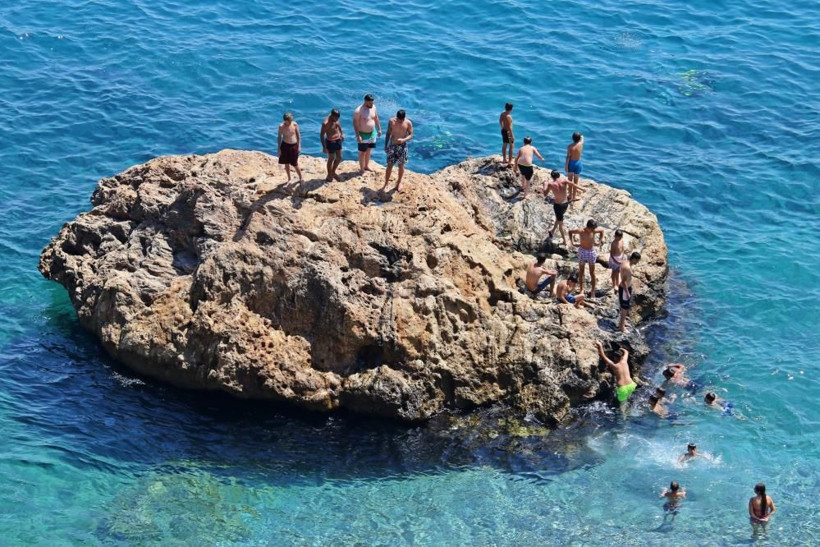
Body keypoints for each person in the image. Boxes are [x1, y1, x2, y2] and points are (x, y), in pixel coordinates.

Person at [544, 170, 583, 247]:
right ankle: (552, 231)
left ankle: (565, 242)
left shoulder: (551, 184)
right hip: (565, 204)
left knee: (560, 224)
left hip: (558, 206)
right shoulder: (564, 180)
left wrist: (545, 185)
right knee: (559, 218)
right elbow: (573, 184)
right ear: (558, 175)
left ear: (552, 177)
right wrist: (582, 189)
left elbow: (545, 194)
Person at [569, 219, 605, 298]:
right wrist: (572, 243)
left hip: (591, 252)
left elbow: (602, 231)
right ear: (588, 227)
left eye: (593, 229)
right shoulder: (581, 231)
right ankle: (582, 289)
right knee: (581, 272)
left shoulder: (593, 230)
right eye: (592, 229)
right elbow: (570, 232)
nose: (593, 230)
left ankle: (592, 291)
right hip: (582, 251)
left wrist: (599, 241)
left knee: (592, 273)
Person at [382, 109, 414, 193]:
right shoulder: (391, 121)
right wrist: (386, 145)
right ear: (397, 117)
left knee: (401, 166)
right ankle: (386, 184)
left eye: (402, 120)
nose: (400, 121)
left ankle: (399, 183)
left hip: (403, 146)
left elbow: (411, 135)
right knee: (389, 165)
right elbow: (388, 133)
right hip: (392, 146)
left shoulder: (408, 123)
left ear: (404, 118)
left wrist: (404, 139)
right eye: (399, 119)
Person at [353, 94, 382, 174]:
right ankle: (362, 169)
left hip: (372, 133)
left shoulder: (373, 107)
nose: (371, 105)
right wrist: (358, 135)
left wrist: (379, 128)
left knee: (369, 150)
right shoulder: (358, 111)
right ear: (365, 101)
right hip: (363, 134)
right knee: (362, 152)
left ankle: (367, 166)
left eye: (372, 103)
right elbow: (355, 123)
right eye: (370, 103)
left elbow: (376, 118)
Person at [618, 251, 641, 332]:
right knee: (625, 308)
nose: (637, 263)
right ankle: (621, 327)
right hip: (625, 289)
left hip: (625, 288)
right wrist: (627, 292)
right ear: (634, 259)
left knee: (624, 307)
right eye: (637, 261)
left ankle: (623, 322)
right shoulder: (627, 268)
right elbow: (624, 281)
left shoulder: (625, 262)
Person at [278, 112, 303, 187]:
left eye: (290, 121)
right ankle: (289, 179)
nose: (289, 123)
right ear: (285, 120)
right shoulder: (281, 126)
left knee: (295, 163)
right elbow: (279, 137)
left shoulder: (294, 124)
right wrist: (279, 148)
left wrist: (299, 146)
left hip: (294, 145)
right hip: (285, 145)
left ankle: (301, 178)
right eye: (287, 121)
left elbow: (298, 135)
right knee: (286, 163)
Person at [320, 109, 345, 182]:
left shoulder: (335, 118)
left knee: (339, 157)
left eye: (338, 118)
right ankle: (329, 175)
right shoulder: (326, 123)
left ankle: (333, 172)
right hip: (330, 142)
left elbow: (338, 124)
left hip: (338, 140)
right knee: (331, 159)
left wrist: (342, 133)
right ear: (332, 116)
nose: (337, 120)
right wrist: (324, 147)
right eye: (336, 118)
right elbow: (322, 135)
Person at [565, 132, 584, 202]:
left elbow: (568, 157)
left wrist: (566, 166)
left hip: (571, 163)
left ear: (572, 138)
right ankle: (574, 196)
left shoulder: (570, 146)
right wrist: (581, 136)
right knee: (576, 181)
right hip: (578, 163)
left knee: (570, 180)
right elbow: (582, 138)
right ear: (579, 139)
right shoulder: (581, 144)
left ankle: (570, 195)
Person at [607, 229, 626, 293]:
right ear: (615, 236)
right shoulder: (613, 243)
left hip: (620, 257)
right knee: (614, 272)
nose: (620, 238)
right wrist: (616, 261)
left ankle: (617, 284)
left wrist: (622, 256)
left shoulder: (621, 241)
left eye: (621, 237)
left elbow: (623, 250)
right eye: (619, 237)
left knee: (618, 271)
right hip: (614, 259)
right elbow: (611, 254)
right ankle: (614, 284)